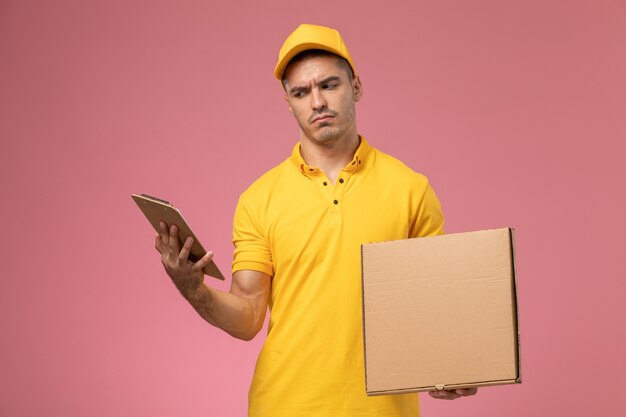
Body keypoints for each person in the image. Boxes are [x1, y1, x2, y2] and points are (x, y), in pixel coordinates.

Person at [155, 24, 477, 417]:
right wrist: (194, 290)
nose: (317, 101)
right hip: (283, 406)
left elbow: (436, 304)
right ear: (288, 102)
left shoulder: (411, 189)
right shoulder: (259, 198)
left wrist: (455, 365)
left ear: (356, 87)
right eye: (301, 92)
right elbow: (248, 316)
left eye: (329, 85)